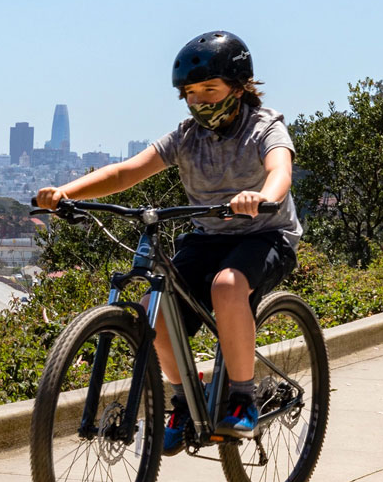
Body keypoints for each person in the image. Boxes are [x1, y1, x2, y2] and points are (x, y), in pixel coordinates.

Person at [35, 30, 301, 455]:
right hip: (209, 235)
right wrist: (66, 192)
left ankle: (242, 399)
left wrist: (262, 198)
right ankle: (181, 399)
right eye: (191, 94)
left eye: (209, 90)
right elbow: (126, 172)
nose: (200, 102)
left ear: (240, 86)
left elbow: (280, 171)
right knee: (150, 309)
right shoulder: (185, 137)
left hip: (265, 234)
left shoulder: (263, 128)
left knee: (228, 286)